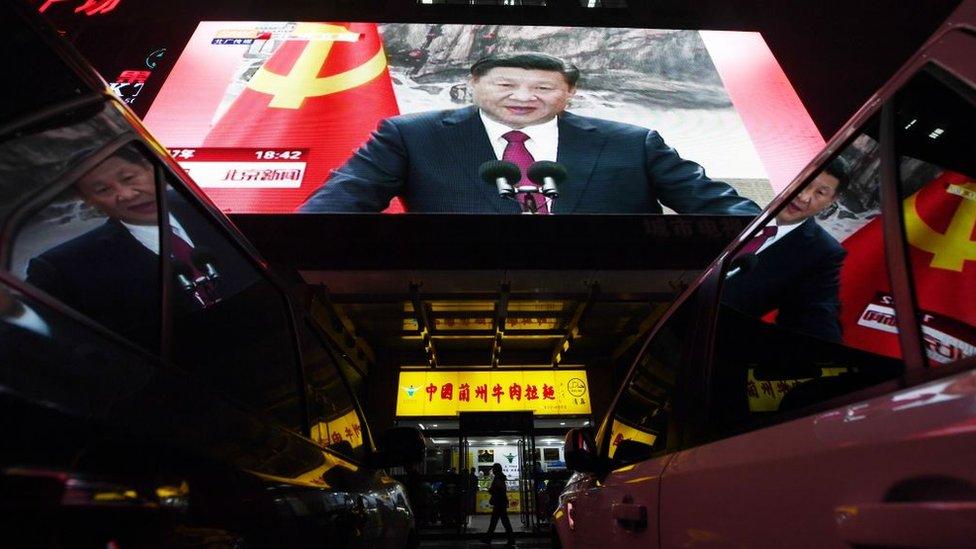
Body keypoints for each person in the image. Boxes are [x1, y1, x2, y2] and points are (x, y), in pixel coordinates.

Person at [299, 52, 761, 215]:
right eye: (505, 84)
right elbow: (340, 203)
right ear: (473, 85)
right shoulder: (410, 135)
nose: (524, 97)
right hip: (458, 302)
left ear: (569, 94)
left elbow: (723, 209)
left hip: (614, 302)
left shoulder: (632, 141)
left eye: (543, 87)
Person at [25, 145, 248, 346]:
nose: (125, 195)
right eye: (103, 190)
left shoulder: (218, 204)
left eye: (129, 178)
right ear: (89, 201)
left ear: (149, 168)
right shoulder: (64, 269)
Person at [722, 157, 851, 342]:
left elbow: (817, 320)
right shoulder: (731, 203)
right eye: (805, 183)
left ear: (832, 201)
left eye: (820, 193)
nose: (804, 197)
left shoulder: (821, 253)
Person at [483, 463, 516, 546]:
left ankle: (489, 539)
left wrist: (491, 490)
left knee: (499, 522)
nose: (492, 471)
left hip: (499, 503)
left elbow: (497, 489)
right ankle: (488, 539)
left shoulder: (498, 478)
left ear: (496, 470)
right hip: (501, 502)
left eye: (493, 469)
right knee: (499, 521)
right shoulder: (500, 477)